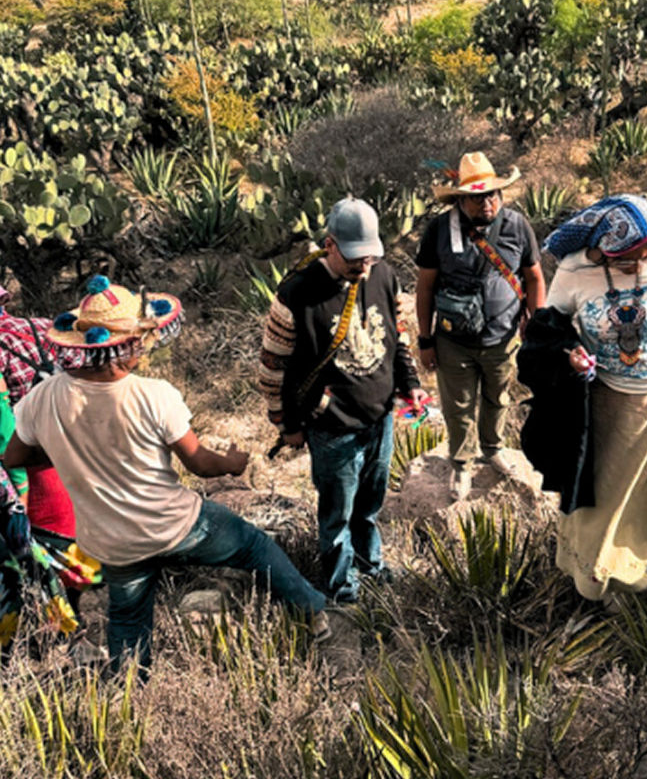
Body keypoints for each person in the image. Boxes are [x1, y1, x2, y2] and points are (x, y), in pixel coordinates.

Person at [3, 276, 327, 672]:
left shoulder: (45, 397)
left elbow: (14, 456)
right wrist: (233, 462)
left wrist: (68, 451)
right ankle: (315, 614)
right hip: (175, 524)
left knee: (127, 619)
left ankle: (126, 694)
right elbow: (200, 465)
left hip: (112, 541)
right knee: (253, 547)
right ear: (128, 348)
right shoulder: (153, 395)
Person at [543, 194, 647, 601]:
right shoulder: (573, 271)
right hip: (608, 404)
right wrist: (567, 355)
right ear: (602, 247)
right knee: (604, 498)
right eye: (626, 257)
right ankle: (598, 581)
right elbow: (547, 331)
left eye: (644, 254)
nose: (636, 262)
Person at [260, 199, 425, 604]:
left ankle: (372, 564)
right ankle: (339, 584)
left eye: (370, 257)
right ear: (330, 245)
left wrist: (410, 384)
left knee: (370, 503)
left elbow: (396, 337)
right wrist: (286, 423)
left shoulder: (383, 274)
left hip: (380, 416)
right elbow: (272, 366)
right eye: (355, 260)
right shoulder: (297, 293)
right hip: (331, 425)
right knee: (337, 513)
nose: (364, 268)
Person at [415, 152, 545, 501]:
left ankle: (493, 447)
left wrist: (538, 322)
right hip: (452, 339)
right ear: (461, 200)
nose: (487, 202)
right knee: (457, 402)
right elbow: (425, 285)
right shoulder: (439, 230)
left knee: (498, 396)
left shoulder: (517, 226)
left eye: (492, 194)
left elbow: (533, 276)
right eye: (477, 196)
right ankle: (461, 463)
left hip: (502, 335)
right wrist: (425, 339)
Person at [0, 285, 101, 649]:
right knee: (72, 551)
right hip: (78, 454)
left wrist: (17, 492)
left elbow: (3, 431)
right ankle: (70, 632)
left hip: (32, 469)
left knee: (35, 557)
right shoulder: (45, 328)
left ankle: (54, 643)